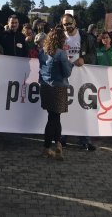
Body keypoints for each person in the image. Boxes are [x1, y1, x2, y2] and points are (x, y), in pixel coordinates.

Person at [60, 13, 97, 150]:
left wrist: (84, 59)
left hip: (82, 78)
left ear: (74, 22)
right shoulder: (60, 37)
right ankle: (62, 138)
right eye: (65, 24)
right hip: (64, 77)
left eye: (69, 23)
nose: (67, 26)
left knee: (83, 108)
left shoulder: (86, 37)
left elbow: (93, 55)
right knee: (64, 108)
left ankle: (84, 139)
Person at [39, 27, 74, 161]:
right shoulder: (61, 53)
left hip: (45, 87)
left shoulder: (42, 51)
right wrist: (71, 63)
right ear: (60, 40)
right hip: (58, 88)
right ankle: (47, 148)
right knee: (54, 119)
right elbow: (67, 73)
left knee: (54, 117)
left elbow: (41, 70)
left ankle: (57, 145)